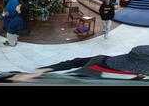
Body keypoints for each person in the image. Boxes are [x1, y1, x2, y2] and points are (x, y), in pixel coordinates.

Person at [10, 45, 149, 82]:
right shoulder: (94, 68)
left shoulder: (101, 58)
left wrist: (45, 69)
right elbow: (75, 64)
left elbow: (74, 62)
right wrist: (43, 70)